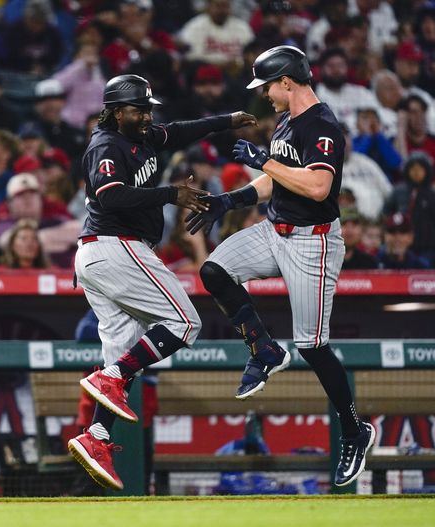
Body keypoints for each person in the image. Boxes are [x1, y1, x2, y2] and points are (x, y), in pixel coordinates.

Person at [184, 45, 375, 488]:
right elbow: (277, 177)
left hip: (313, 242)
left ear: (287, 81)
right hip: (276, 231)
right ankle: (265, 349)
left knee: (312, 346)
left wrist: (262, 159)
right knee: (214, 270)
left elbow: (317, 185)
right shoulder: (288, 121)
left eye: (268, 85)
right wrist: (231, 199)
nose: (265, 94)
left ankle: (353, 430)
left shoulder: (322, 123)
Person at [68, 73, 256, 491]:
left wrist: (227, 120)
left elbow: (183, 131)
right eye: (138, 108)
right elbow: (110, 195)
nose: (146, 115)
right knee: (185, 323)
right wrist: (171, 194)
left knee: (123, 358)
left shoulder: (143, 137)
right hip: (116, 245)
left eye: (148, 108)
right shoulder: (107, 144)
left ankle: (96, 437)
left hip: (102, 256)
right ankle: (109, 377)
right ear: (116, 111)